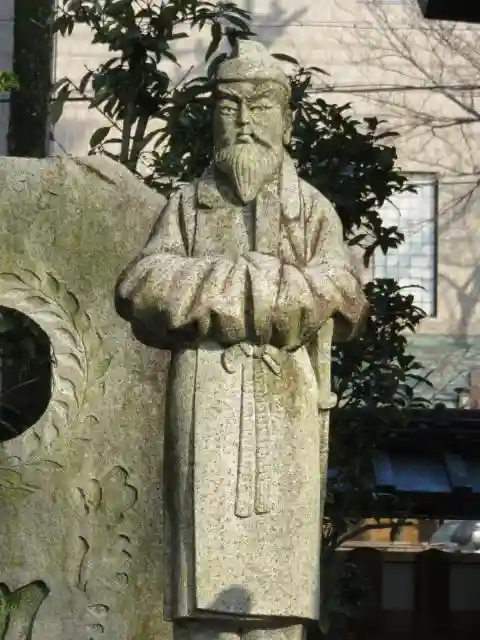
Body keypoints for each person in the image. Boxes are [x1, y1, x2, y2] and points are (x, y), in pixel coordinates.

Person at [115, 39, 368, 640]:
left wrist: (276, 289)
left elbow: (345, 294)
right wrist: (232, 284)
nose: (245, 122)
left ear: (287, 120)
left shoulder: (312, 210)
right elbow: (140, 285)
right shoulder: (188, 205)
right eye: (229, 108)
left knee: (279, 599)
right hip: (206, 397)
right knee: (201, 599)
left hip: (287, 404)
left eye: (260, 107)